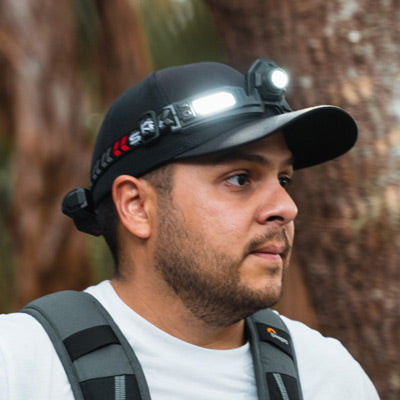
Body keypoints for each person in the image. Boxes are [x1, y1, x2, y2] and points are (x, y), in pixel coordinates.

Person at [0, 59, 380, 400]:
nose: (286, 207)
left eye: (284, 179)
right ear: (137, 207)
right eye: (240, 179)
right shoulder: (22, 364)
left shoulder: (328, 375)